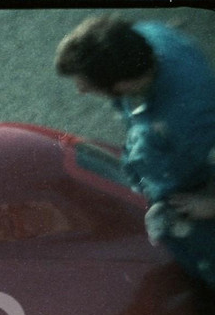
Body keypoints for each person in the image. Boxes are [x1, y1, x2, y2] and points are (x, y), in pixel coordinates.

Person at [55, 15, 215, 288]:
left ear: (124, 86)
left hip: (194, 198)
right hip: (165, 168)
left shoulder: (192, 118)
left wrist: (211, 206)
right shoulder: (140, 41)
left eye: (87, 85)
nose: (80, 91)